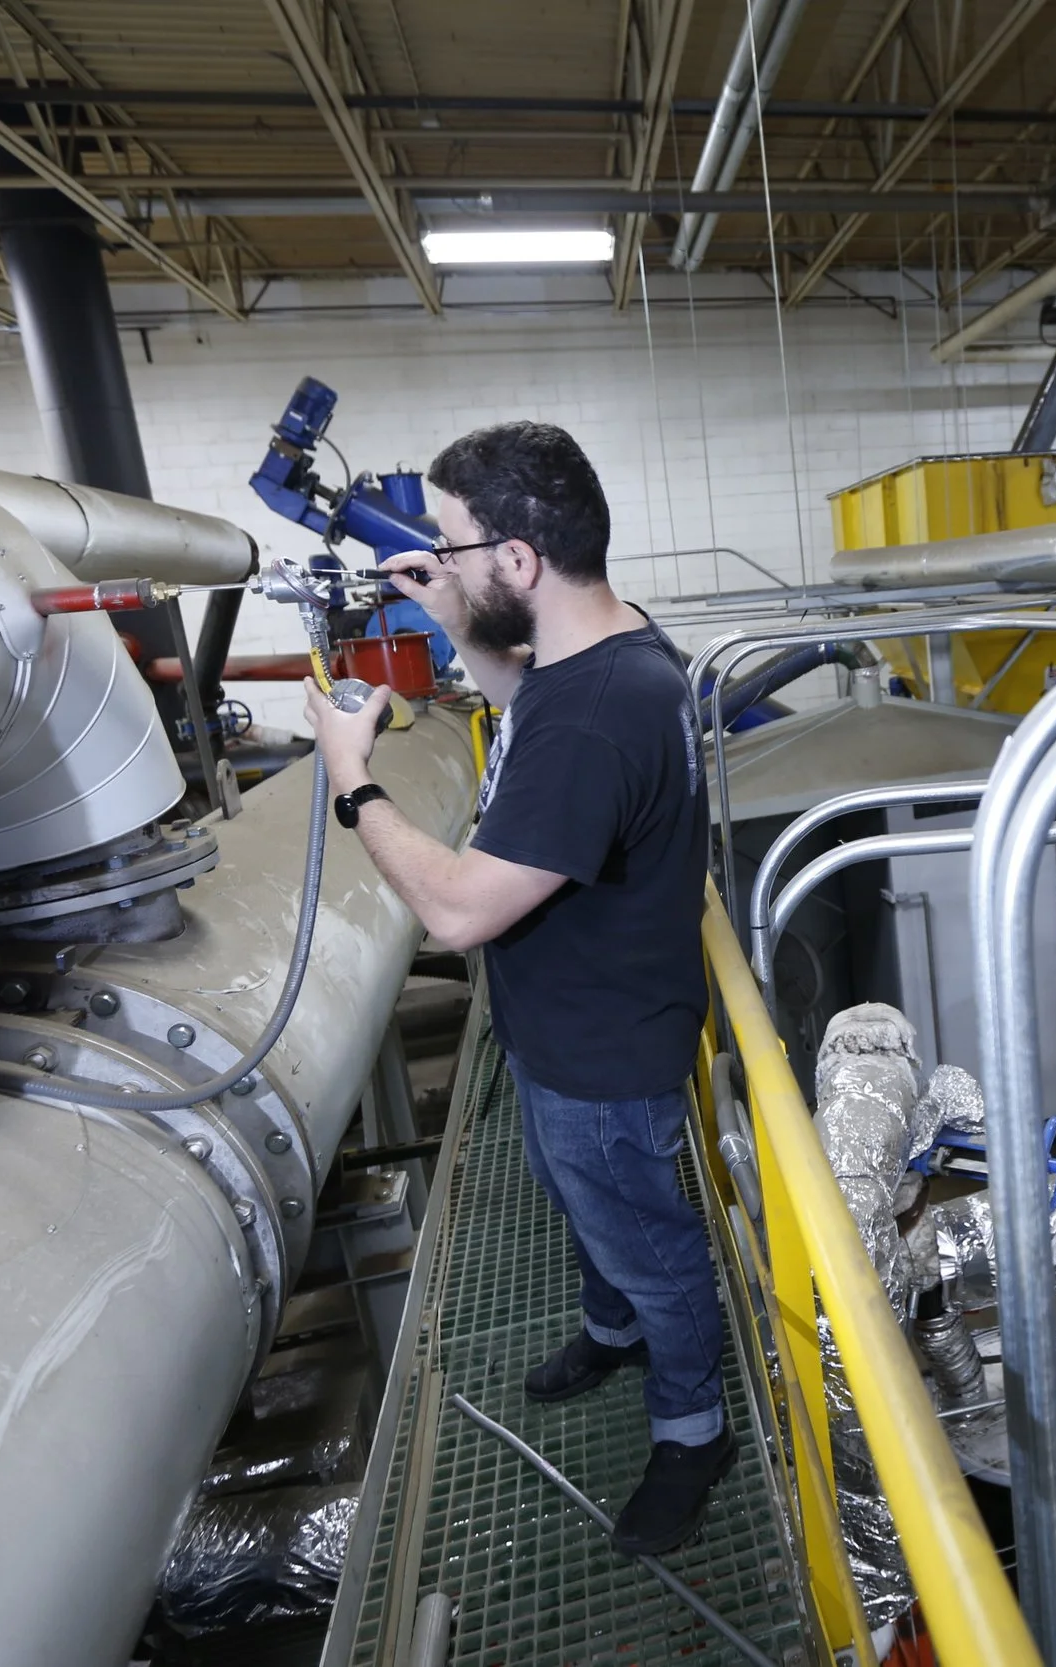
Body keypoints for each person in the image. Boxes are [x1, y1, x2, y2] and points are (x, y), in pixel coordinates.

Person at [303, 420, 729, 1555]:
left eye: (452, 543)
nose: (434, 556)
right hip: (564, 1021)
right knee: (583, 1203)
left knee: (645, 1232)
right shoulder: (609, 647)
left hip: (603, 1045)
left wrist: (354, 781)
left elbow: (454, 908)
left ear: (522, 559)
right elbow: (519, 690)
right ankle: (613, 1327)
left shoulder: (597, 716)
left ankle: (692, 1423)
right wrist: (451, 608)